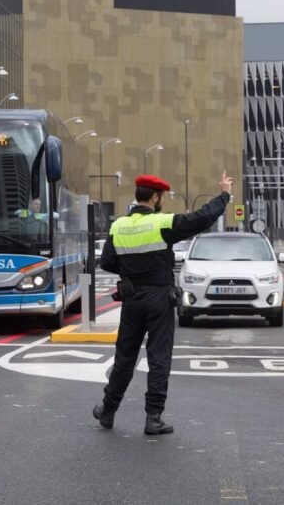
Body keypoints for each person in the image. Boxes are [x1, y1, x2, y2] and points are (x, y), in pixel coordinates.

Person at [94, 170, 233, 435]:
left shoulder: (118, 226)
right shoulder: (162, 223)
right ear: (155, 197)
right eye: (162, 197)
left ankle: (107, 411)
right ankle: (153, 417)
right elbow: (201, 217)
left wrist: (130, 271)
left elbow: (107, 262)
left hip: (131, 299)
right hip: (159, 298)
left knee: (124, 358)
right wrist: (224, 194)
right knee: (159, 358)